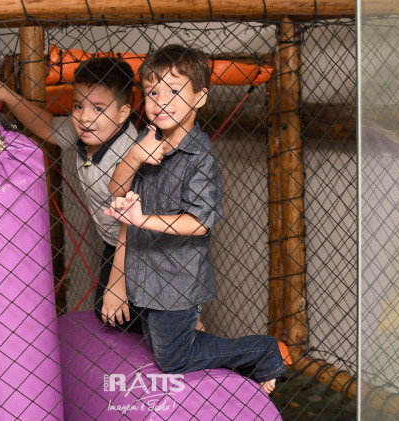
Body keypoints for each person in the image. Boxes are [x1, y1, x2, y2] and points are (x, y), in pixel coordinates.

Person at [102, 44, 285, 394]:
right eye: (153, 92)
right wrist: (136, 154)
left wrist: (143, 219)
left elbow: (199, 223)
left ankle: (262, 352)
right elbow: (117, 188)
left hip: (177, 280)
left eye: (174, 91)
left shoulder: (200, 157)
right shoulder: (148, 138)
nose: (161, 101)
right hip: (145, 273)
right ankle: (212, 343)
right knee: (163, 346)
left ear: (199, 97)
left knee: (173, 359)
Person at [0, 56, 144, 332]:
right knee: (109, 314)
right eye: (78, 105)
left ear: (123, 113)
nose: (85, 117)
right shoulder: (91, 132)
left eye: (98, 108)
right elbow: (46, 126)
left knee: (137, 316)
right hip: (114, 243)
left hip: (142, 245)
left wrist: (117, 282)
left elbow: (133, 223)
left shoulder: (127, 155)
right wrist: (5, 93)